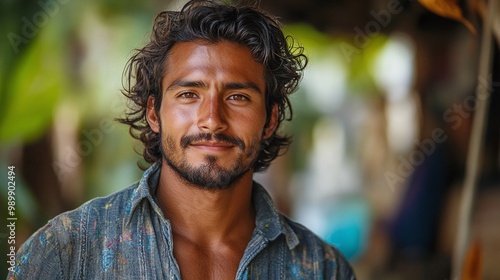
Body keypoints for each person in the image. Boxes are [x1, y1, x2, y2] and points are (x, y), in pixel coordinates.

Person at [8, 0, 355, 279]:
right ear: (154, 113)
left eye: (238, 97)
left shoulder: (320, 268)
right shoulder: (68, 251)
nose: (212, 120)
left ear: (270, 119)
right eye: (189, 94)